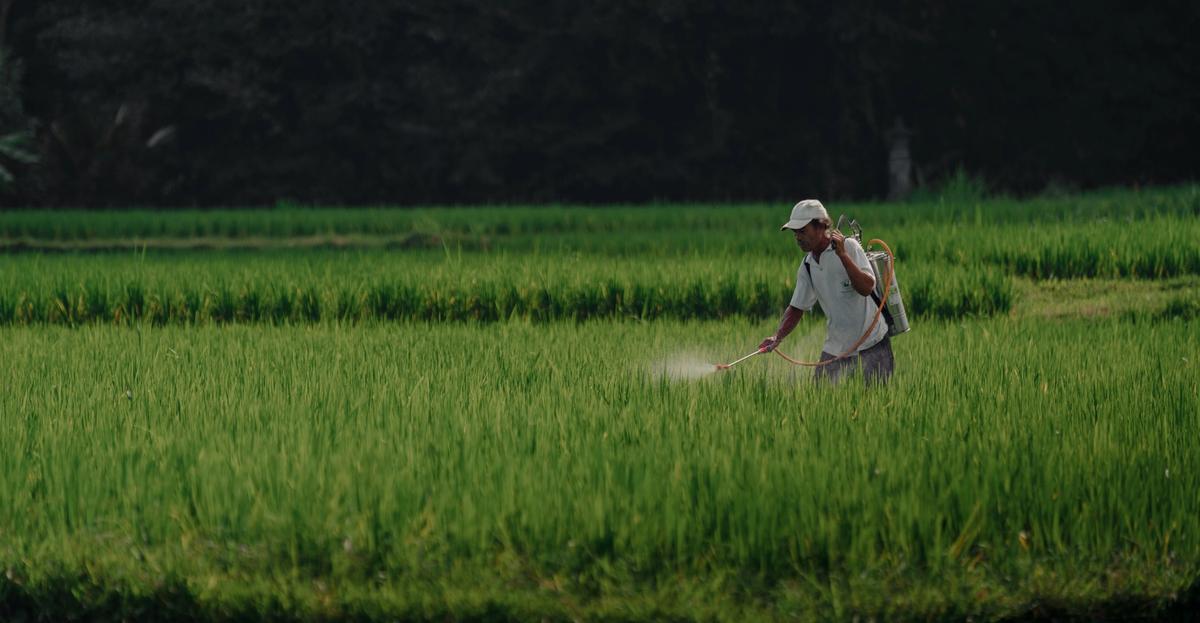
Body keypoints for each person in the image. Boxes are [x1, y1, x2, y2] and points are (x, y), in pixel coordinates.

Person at [757, 199, 895, 384]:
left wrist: (843, 256)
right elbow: (797, 308)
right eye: (795, 232)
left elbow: (867, 287)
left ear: (821, 227)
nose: (797, 237)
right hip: (837, 347)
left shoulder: (850, 247)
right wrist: (777, 337)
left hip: (872, 343)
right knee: (821, 399)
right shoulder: (807, 265)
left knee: (876, 403)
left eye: (802, 231)